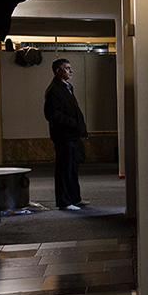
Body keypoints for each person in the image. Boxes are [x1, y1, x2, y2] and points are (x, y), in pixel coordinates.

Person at [44, 58, 88, 211]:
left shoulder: (67, 87)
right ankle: (64, 201)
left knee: (72, 167)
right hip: (64, 135)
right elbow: (52, 114)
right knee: (64, 168)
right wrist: (72, 123)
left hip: (72, 135)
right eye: (67, 68)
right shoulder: (54, 90)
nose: (71, 71)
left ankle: (75, 198)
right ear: (58, 71)